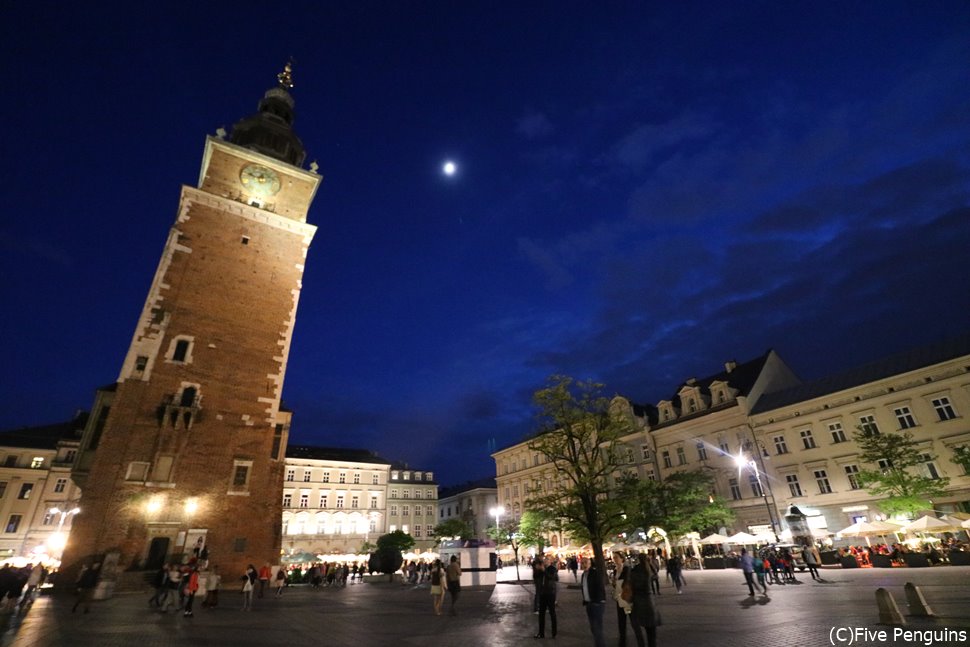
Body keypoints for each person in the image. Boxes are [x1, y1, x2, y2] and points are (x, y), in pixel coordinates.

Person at [628, 557, 659, 647]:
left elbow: (630, 583)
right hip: (649, 603)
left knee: (639, 627)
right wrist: (651, 564)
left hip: (637, 602)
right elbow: (655, 576)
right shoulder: (648, 570)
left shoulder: (634, 571)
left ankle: (641, 644)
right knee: (651, 633)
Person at [580, 556, 607, 647]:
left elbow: (600, 588)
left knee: (597, 627)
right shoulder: (584, 574)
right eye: (582, 563)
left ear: (590, 563)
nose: (583, 564)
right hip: (589, 603)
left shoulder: (594, 573)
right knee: (593, 627)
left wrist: (597, 601)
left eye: (585, 562)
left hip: (596, 603)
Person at [612, 552, 635, 646]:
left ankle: (639, 637)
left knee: (632, 619)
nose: (615, 559)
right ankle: (622, 641)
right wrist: (614, 583)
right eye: (614, 558)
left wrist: (618, 583)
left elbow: (627, 581)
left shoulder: (626, 569)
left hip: (626, 598)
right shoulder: (615, 570)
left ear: (622, 559)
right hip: (619, 598)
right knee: (621, 621)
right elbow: (616, 583)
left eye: (616, 557)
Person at [535, 555, 558, 639]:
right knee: (541, 614)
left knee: (552, 613)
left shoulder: (553, 569)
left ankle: (554, 633)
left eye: (547, 560)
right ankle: (541, 633)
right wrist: (537, 569)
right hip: (542, 594)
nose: (545, 561)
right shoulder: (541, 569)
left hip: (550, 593)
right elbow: (535, 577)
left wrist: (544, 570)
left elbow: (552, 577)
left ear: (550, 561)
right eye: (544, 560)